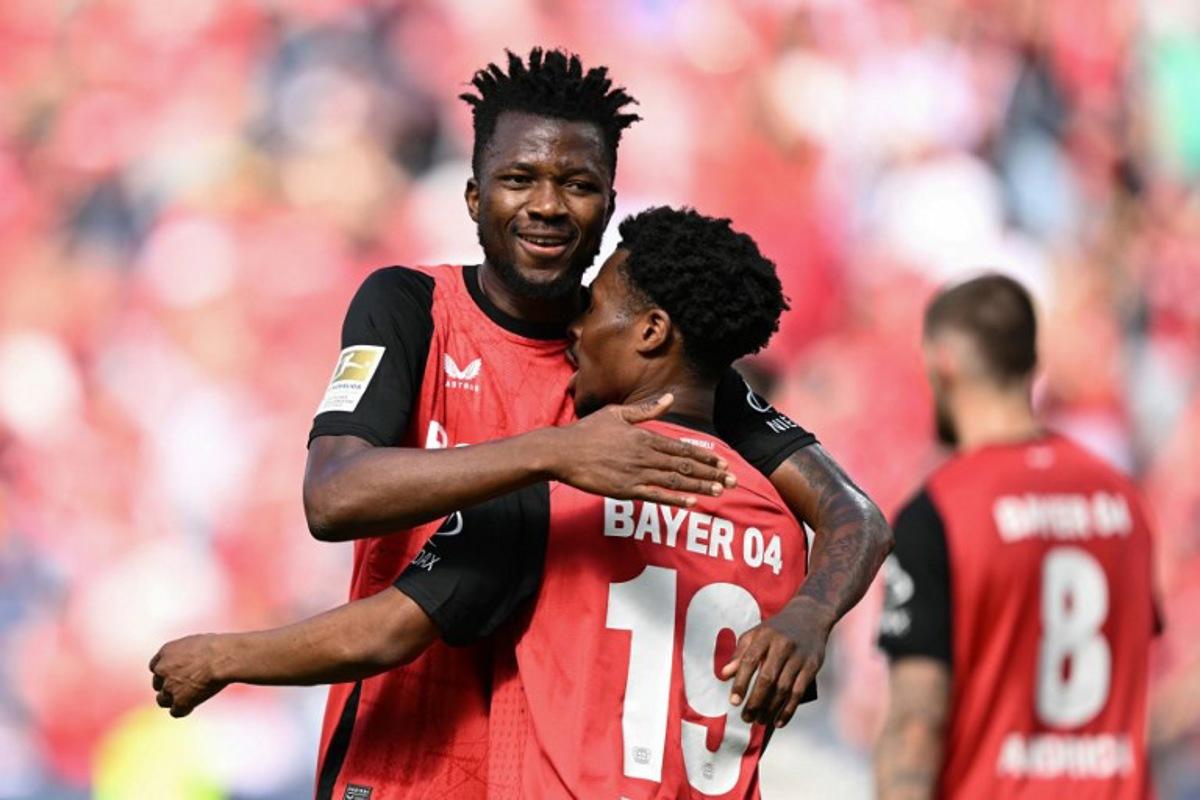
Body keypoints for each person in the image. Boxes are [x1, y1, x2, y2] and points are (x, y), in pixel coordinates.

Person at [296, 48, 890, 799]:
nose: (547, 205)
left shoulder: (649, 357)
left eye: (577, 184)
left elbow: (854, 515)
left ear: (609, 204)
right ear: (475, 197)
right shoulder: (411, 308)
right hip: (402, 764)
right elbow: (333, 495)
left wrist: (811, 613)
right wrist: (553, 453)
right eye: (519, 179)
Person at [153, 206, 818, 798]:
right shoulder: (781, 530)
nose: (576, 329)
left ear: (649, 331)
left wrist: (221, 658)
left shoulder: (555, 490)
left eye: (595, 307)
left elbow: (386, 631)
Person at [874, 274, 1159, 799]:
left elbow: (917, 722)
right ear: (1032, 363)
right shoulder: (1122, 500)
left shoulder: (940, 511)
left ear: (943, 363)